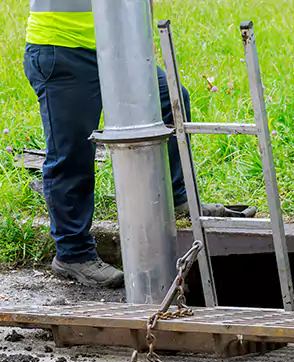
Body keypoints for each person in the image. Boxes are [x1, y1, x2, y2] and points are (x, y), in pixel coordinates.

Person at [23, 0, 217, 288]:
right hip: (64, 48)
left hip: (119, 47)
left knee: (171, 102)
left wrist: (140, 36)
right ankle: (72, 254)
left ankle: (176, 197)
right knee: (72, 153)